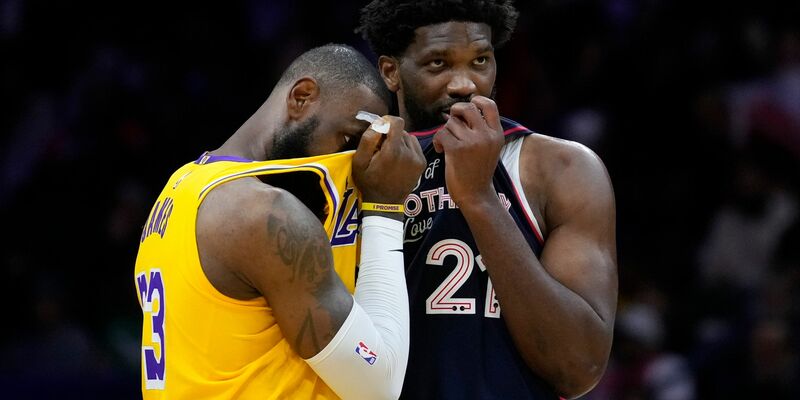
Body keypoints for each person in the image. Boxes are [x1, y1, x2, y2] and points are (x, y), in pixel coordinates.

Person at [133, 43, 425, 399]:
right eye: (348, 139)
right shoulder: (263, 214)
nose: (352, 162)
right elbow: (379, 387)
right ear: (302, 97)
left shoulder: (181, 187)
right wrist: (386, 206)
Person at [357, 1, 618, 399]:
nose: (464, 84)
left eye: (480, 60)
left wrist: (480, 198)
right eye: (438, 64)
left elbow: (578, 367)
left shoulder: (559, 169)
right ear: (391, 71)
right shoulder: (352, 174)